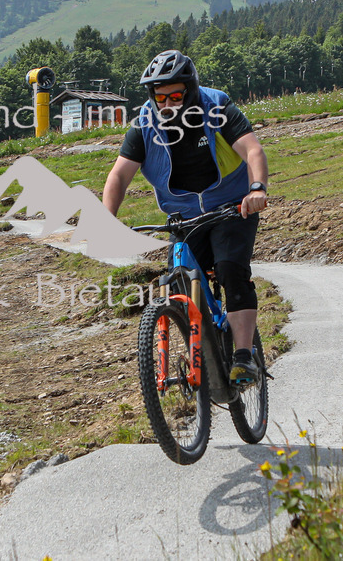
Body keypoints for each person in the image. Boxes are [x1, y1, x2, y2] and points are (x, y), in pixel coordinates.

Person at [103, 50, 269, 385]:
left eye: (175, 96)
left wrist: (257, 189)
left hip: (231, 207)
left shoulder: (216, 107)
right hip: (183, 216)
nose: (167, 104)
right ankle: (200, 352)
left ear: (190, 90)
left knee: (230, 270)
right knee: (178, 280)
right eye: (160, 97)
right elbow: (118, 176)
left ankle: (243, 356)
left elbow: (253, 150)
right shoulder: (144, 124)